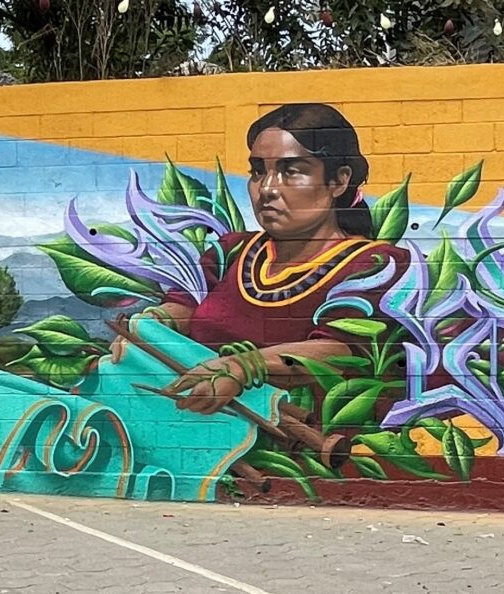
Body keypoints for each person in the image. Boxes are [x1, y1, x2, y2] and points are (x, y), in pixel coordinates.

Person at [149, 104, 409, 416]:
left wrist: (244, 367)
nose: (267, 189)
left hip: (296, 450)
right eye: (258, 171)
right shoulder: (232, 251)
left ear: (338, 182)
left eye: (291, 171)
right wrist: (152, 322)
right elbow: (184, 304)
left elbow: (340, 351)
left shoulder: (374, 265)